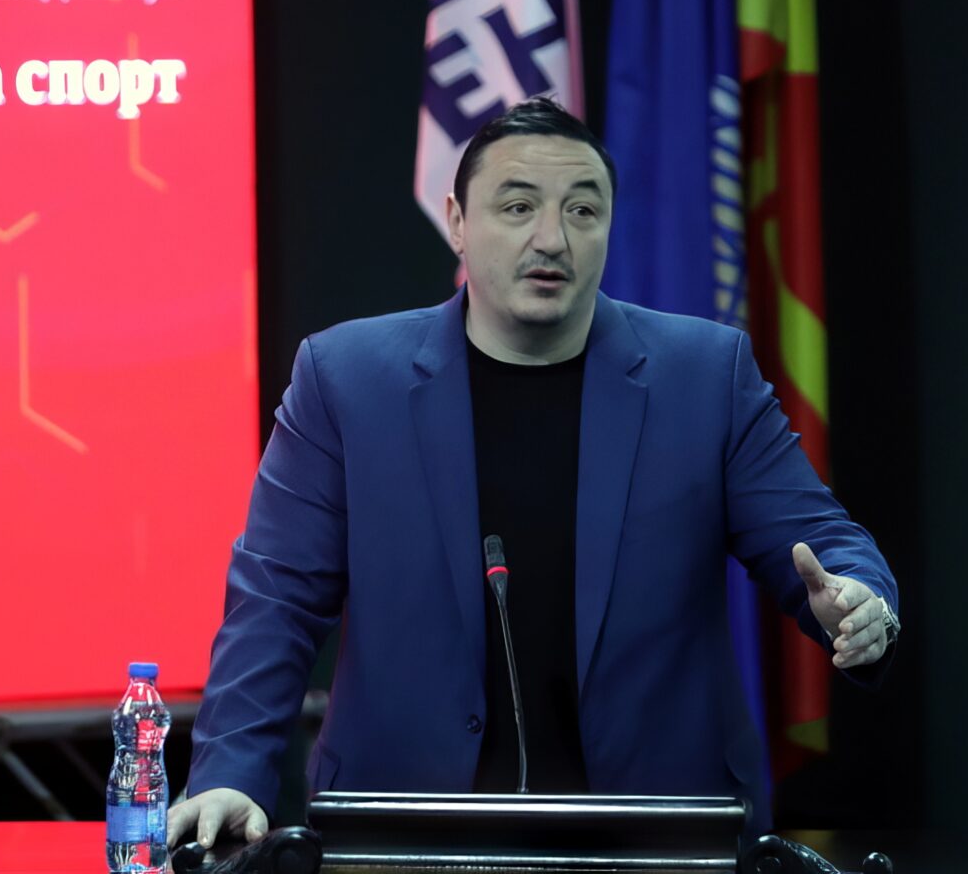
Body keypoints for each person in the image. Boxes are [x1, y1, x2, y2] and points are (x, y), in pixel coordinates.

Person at [172, 99, 899, 846]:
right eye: (518, 207)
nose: (552, 238)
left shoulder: (705, 377)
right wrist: (230, 772)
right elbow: (277, 597)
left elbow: (818, 539)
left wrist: (861, 598)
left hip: (658, 830)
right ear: (456, 221)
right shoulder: (346, 380)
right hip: (403, 826)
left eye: (583, 211)